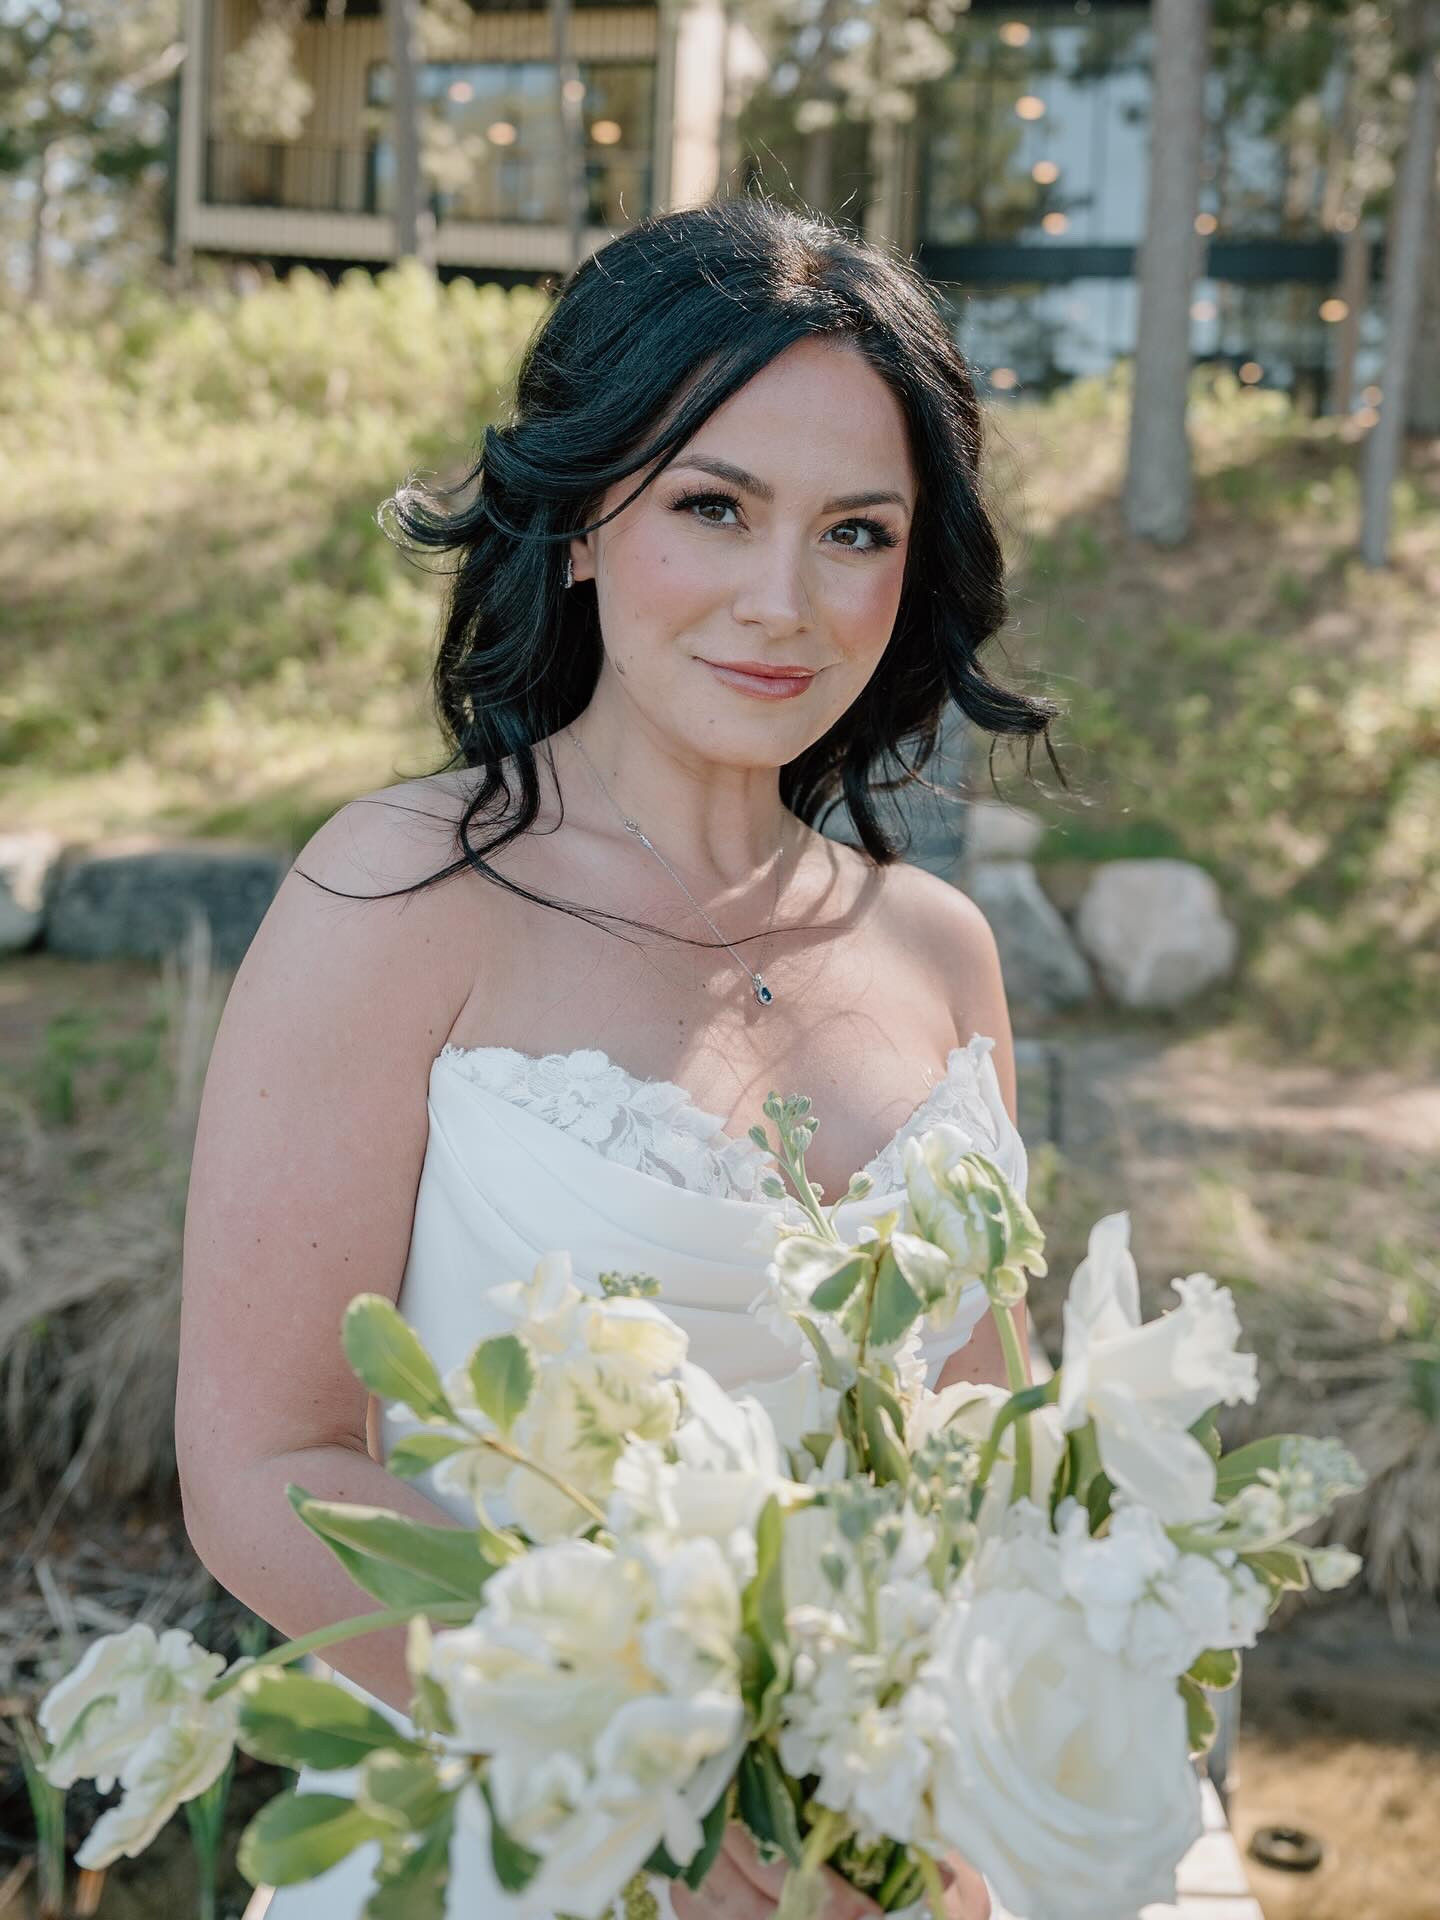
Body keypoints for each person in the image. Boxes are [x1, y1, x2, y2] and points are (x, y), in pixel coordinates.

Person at [175, 194, 1063, 1920]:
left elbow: (992, 1473)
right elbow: (264, 1466)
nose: (783, 601)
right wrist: (653, 1794)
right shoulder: (405, 892)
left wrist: (955, 1791)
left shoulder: (941, 952)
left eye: (858, 532)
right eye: (714, 507)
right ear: (583, 520)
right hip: (524, 1835)